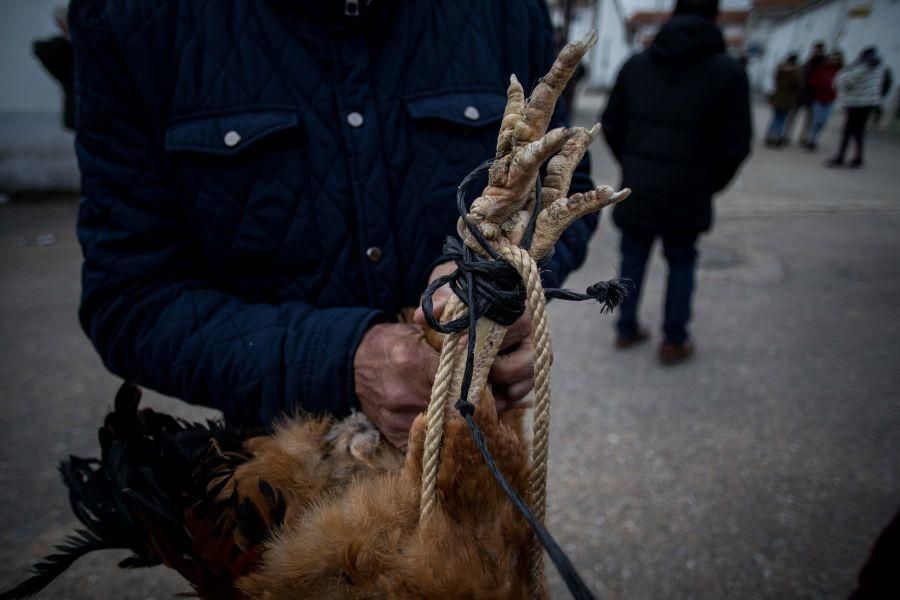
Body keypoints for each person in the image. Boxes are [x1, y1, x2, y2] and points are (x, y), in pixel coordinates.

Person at [69, 0, 598, 449]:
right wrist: (337, 360)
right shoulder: (131, 17)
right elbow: (130, 299)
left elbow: (562, 189)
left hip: (476, 462)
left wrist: (497, 282)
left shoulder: (503, 8)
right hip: (279, 493)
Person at [600, 0, 751, 364]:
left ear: (672, 14)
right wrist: (708, 182)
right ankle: (674, 338)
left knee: (632, 257)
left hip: (640, 185)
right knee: (682, 261)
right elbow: (736, 144)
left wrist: (634, 165)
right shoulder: (728, 72)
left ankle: (625, 327)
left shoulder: (637, 65)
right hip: (689, 190)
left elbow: (612, 124)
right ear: (714, 17)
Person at [827, 46, 892, 168]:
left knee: (847, 130)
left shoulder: (862, 67)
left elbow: (847, 81)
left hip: (856, 102)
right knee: (859, 131)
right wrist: (877, 97)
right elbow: (886, 84)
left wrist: (843, 77)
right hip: (869, 103)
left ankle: (841, 157)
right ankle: (858, 157)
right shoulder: (881, 68)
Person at [786, 41, 825, 145]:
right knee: (792, 115)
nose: (815, 52)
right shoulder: (808, 63)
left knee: (809, 119)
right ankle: (786, 135)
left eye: (817, 50)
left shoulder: (822, 65)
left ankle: (804, 137)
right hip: (801, 94)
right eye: (814, 50)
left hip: (813, 95)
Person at [803, 51, 843, 150]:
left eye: (836, 59)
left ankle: (815, 137)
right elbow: (813, 82)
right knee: (816, 120)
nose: (834, 61)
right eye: (832, 58)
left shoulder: (840, 72)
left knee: (823, 121)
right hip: (819, 98)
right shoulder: (821, 69)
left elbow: (842, 85)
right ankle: (811, 140)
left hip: (830, 100)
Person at [765, 53, 803, 147]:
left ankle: (770, 136)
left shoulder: (780, 69)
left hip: (778, 98)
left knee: (776, 118)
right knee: (781, 119)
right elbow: (798, 85)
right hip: (787, 99)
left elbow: (775, 81)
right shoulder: (795, 72)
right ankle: (777, 138)